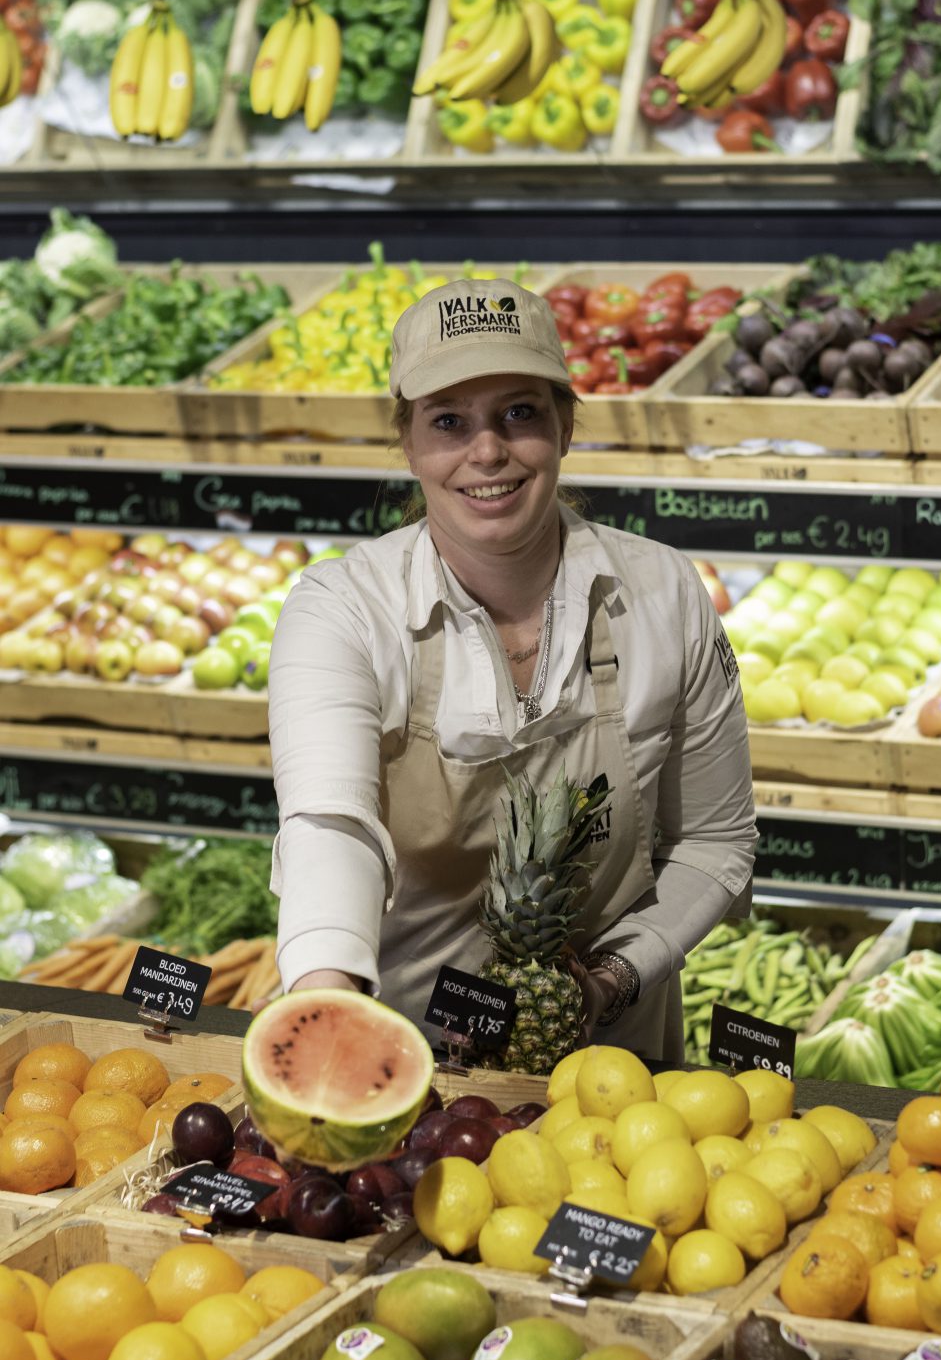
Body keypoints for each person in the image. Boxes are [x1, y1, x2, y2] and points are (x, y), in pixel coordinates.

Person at [267, 277, 757, 1062]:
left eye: (519, 414)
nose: (486, 451)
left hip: (614, 1063)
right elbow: (332, 824)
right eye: (449, 421)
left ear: (565, 425)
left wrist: (612, 979)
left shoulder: (665, 592)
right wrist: (328, 1004)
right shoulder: (341, 608)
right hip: (401, 1054)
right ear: (409, 443)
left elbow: (715, 839)